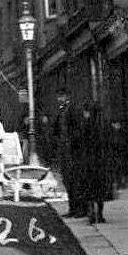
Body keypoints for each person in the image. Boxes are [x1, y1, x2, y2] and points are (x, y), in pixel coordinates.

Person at [52, 90, 87, 218]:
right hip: (64, 150)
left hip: (73, 151)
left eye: (61, 96)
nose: (59, 99)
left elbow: (77, 129)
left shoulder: (73, 110)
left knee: (75, 180)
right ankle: (73, 208)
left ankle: (80, 208)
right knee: (67, 180)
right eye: (58, 97)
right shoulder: (61, 111)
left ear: (67, 96)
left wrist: (72, 143)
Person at [78, 101, 111, 224]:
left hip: (89, 161)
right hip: (101, 161)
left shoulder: (87, 125)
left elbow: (81, 141)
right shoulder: (103, 125)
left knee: (90, 188)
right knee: (100, 189)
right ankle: (100, 214)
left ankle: (92, 214)